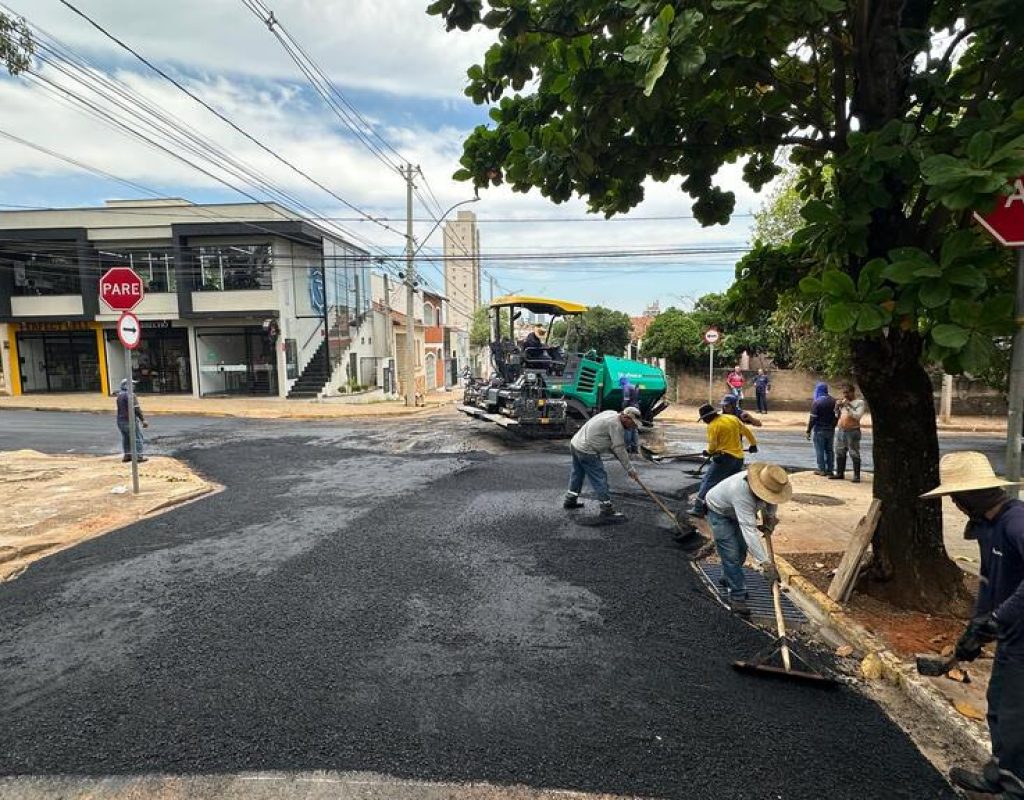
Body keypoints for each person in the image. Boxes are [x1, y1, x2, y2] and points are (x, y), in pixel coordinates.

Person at [921, 452, 1024, 798]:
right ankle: (999, 774)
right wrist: (975, 630)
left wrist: (997, 620)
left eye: (954, 498)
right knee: (999, 703)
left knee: (1014, 711)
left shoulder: (1016, 522)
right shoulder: (989, 527)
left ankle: (1015, 787)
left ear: (968, 497)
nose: (953, 504)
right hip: (1012, 634)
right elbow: (988, 583)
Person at [705, 463, 791, 616]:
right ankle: (737, 596)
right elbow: (749, 531)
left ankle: (729, 576)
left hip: (737, 512)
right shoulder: (741, 492)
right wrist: (765, 564)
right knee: (731, 552)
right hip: (719, 511)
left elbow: (771, 504)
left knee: (741, 550)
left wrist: (769, 520)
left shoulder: (770, 485)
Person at [564, 407, 641, 517]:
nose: (633, 426)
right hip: (587, 450)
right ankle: (606, 508)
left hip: (576, 443)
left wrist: (619, 455)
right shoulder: (616, 425)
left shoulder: (611, 413)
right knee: (599, 477)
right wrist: (630, 469)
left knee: (578, 473)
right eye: (633, 423)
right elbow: (619, 449)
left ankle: (570, 500)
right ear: (625, 417)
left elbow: (613, 446)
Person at [689, 402, 758, 517]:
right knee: (734, 485)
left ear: (707, 417)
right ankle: (736, 510)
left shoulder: (713, 426)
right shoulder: (732, 419)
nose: (705, 421)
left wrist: (708, 452)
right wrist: (753, 444)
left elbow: (713, 445)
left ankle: (698, 509)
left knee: (708, 481)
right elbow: (746, 431)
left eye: (704, 419)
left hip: (723, 459)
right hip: (739, 458)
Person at [831, 383, 866, 482]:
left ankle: (856, 476)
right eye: (844, 393)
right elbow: (837, 415)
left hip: (853, 431)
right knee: (839, 452)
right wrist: (837, 407)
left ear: (852, 392)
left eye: (847, 392)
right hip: (841, 430)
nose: (845, 395)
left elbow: (857, 416)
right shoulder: (843, 402)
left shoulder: (859, 403)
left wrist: (847, 406)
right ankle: (839, 473)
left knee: (854, 452)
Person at [806, 382, 837, 476]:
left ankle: (822, 470)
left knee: (819, 450)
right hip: (830, 429)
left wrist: (808, 431)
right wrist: (833, 426)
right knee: (829, 450)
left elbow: (813, 418)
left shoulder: (817, 402)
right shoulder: (833, 401)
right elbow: (837, 416)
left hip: (819, 429)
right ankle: (830, 470)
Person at [115, 378, 148, 463]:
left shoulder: (119, 395)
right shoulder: (131, 395)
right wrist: (143, 420)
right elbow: (136, 409)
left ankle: (127, 455)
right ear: (126, 385)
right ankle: (139, 456)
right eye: (132, 384)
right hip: (130, 420)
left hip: (120, 420)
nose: (133, 386)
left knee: (126, 438)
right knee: (137, 437)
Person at [619, 376, 642, 454]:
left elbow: (626, 401)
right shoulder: (634, 386)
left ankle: (627, 448)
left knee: (628, 428)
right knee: (634, 429)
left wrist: (623, 410)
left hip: (630, 409)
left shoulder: (626, 387)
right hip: (637, 408)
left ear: (622, 382)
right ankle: (635, 448)